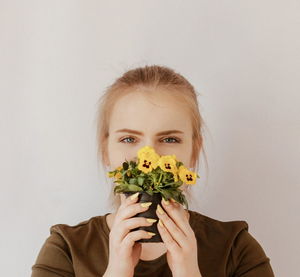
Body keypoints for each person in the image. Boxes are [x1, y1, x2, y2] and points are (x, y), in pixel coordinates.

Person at [31, 65, 275, 277]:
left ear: (194, 150)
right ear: (105, 150)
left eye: (169, 139)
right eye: (128, 139)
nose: (150, 155)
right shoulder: (66, 250)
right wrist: (116, 272)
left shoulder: (236, 248)